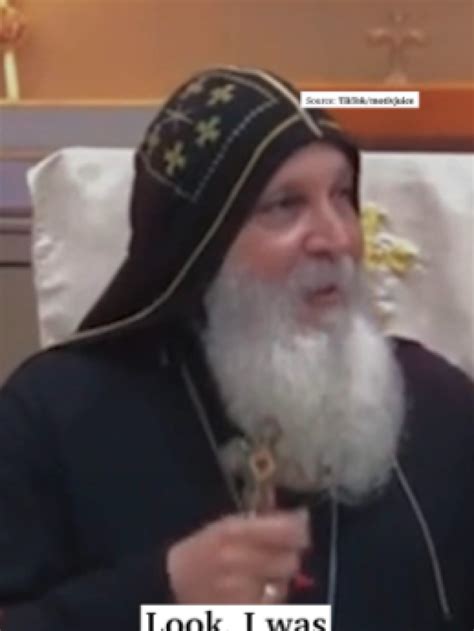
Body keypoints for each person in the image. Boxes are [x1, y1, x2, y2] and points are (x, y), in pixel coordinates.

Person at [0, 66, 472, 631]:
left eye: (342, 195)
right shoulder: (56, 417)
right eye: (284, 205)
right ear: (199, 245)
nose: (337, 237)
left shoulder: (439, 404)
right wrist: (160, 597)